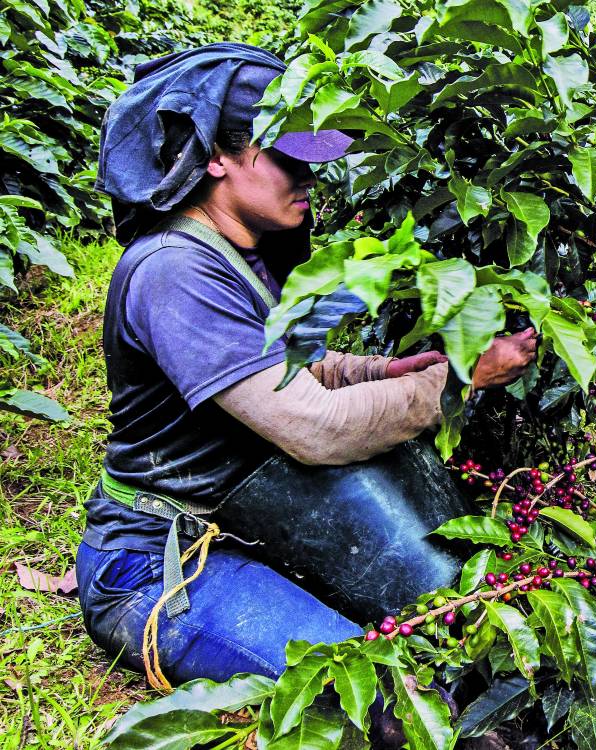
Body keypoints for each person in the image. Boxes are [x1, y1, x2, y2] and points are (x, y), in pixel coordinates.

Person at [77, 43, 537, 703]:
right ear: (216, 156)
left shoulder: (236, 253)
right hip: (156, 567)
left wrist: (385, 369)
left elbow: (293, 366)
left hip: (243, 529)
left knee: (456, 644)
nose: (309, 177)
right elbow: (312, 427)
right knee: (384, 697)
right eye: (287, 158)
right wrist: (456, 382)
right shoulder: (174, 271)